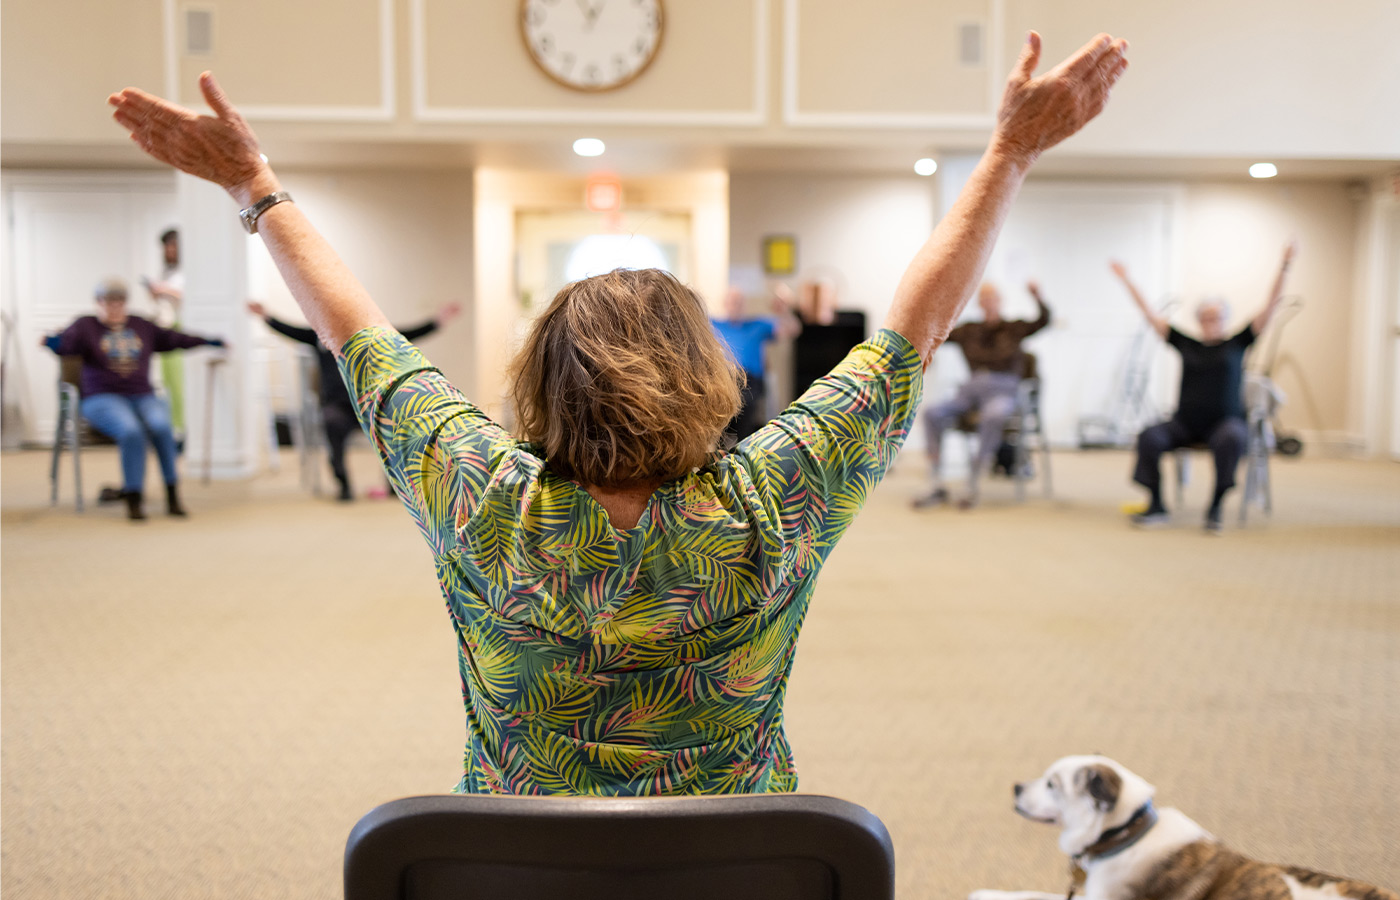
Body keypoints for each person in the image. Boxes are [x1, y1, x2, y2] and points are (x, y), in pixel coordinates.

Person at [108, 30, 1127, 794]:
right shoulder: (776, 496)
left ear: (539, 383)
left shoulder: (474, 488)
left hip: (511, 874)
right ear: (708, 381)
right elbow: (914, 328)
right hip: (742, 875)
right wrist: (1007, 157)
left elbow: (353, 331)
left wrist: (254, 186)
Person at [1113, 241, 1296, 534]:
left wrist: (1285, 265)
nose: (1212, 321)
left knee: (1232, 438)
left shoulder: (1238, 342)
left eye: (1217, 316)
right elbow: (1148, 313)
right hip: (1184, 423)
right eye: (1206, 317)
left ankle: (1215, 506)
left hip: (1224, 423)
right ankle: (1157, 503)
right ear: (1199, 319)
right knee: (1149, 436)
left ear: (1225, 318)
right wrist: (1126, 279)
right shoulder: (1185, 342)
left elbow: (1270, 307)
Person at [43, 278, 225, 520]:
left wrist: (209, 341)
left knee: (161, 426)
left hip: (142, 395)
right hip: (101, 398)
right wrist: (50, 342)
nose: (114, 307)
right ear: (99, 303)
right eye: (108, 302)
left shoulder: (140, 325)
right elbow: (65, 345)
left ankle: (173, 495)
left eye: (119, 301)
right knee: (131, 431)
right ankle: (134, 497)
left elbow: (174, 339)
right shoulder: (85, 326)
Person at [248, 300, 460, 501]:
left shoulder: (372, 335)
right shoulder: (320, 335)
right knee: (331, 423)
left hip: (372, 405)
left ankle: (395, 485)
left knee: (399, 424)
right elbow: (290, 330)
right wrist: (266, 316)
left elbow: (407, 334)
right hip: (338, 407)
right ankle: (344, 485)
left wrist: (437, 321)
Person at [913, 281, 1051, 509]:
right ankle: (935, 482)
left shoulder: (1013, 328)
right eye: (984, 298)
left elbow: (1043, 321)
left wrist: (1038, 297)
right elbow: (935, 332)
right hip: (971, 390)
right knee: (933, 413)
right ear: (979, 303)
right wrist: (937, 300)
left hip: (1004, 389)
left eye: (992, 297)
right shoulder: (969, 330)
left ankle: (972, 483)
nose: (988, 302)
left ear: (999, 301)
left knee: (993, 415)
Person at [711, 284, 801, 441]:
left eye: (739, 301)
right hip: (723, 379)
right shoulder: (715, 325)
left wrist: (784, 309)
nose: (735, 305)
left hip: (750, 381)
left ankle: (741, 448)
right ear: (725, 303)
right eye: (732, 301)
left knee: (744, 407)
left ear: (744, 305)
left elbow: (793, 329)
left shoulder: (757, 325)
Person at [143, 229, 188, 443]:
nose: (169, 250)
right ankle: (174, 430)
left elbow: (187, 296)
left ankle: (182, 432)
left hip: (180, 329)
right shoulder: (167, 272)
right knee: (168, 385)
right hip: (164, 328)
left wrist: (164, 290)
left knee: (180, 385)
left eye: (173, 245)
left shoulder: (188, 269)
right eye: (166, 246)